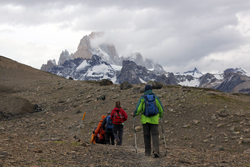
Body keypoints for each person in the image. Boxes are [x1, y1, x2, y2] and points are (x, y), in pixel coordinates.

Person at [132, 85, 164, 158]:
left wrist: (134, 114)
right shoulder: (155, 98)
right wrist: (161, 116)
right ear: (151, 90)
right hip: (154, 120)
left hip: (145, 120)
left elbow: (139, 108)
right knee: (155, 135)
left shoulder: (143, 98)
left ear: (145, 90)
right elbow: (161, 108)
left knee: (146, 135)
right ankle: (156, 150)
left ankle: (147, 152)